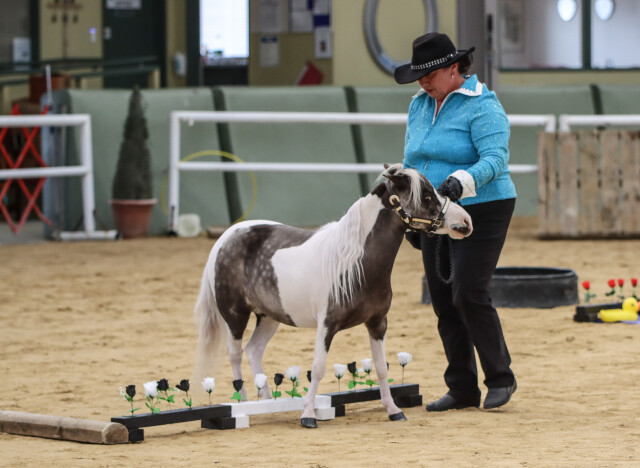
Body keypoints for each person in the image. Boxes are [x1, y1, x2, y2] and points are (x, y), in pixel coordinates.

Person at [394, 32, 517, 411]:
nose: (423, 82)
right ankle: (462, 388)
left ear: (453, 68)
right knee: (443, 299)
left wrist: (461, 181)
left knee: (468, 291)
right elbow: (413, 159)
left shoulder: (483, 105)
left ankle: (500, 378)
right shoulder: (419, 105)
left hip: (484, 206)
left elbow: (495, 159)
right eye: (419, 76)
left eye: (429, 75)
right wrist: (411, 211)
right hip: (434, 211)